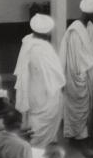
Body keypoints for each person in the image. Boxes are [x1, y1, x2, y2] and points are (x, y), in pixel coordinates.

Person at [60, 0, 93, 156]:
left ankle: (80, 136)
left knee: (87, 107)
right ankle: (80, 139)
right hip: (76, 75)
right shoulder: (74, 31)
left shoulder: (91, 28)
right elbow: (78, 58)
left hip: (89, 73)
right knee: (78, 107)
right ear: (89, 12)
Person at [14, 14, 66, 148]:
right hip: (42, 91)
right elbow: (54, 75)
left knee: (35, 118)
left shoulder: (28, 42)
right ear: (48, 32)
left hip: (31, 89)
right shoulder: (42, 49)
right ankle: (38, 147)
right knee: (48, 112)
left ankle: (37, 145)